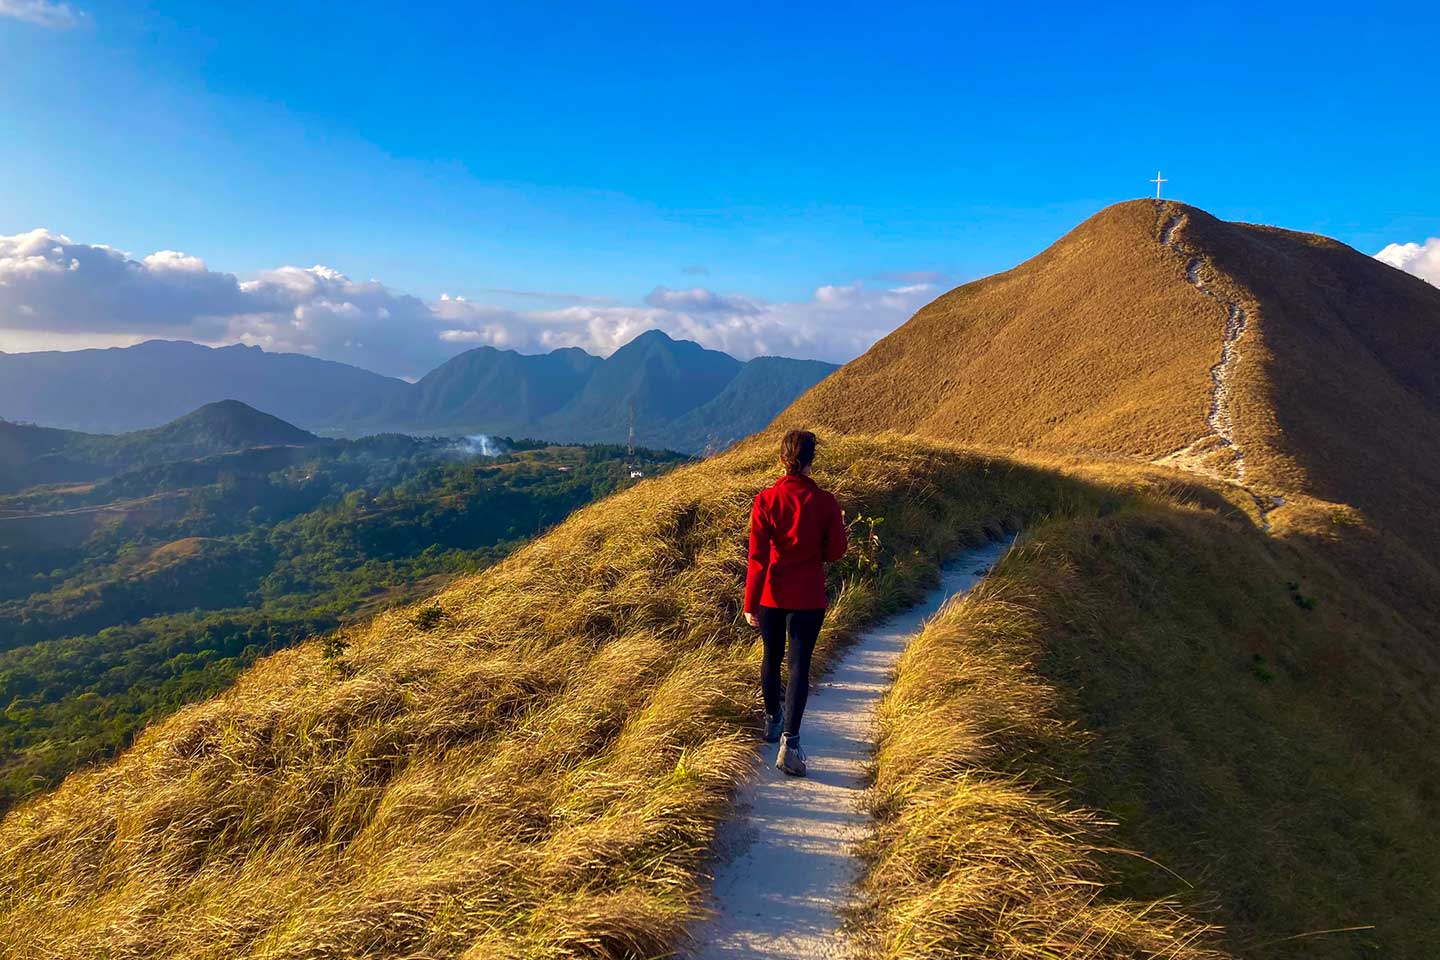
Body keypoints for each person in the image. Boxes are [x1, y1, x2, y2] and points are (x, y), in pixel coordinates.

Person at [744, 429, 848, 776]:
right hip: (808, 595)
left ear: (781, 459)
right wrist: (814, 550)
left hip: (771, 594)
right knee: (799, 667)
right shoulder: (826, 502)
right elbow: (835, 551)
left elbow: (757, 558)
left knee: (771, 658)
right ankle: (791, 743)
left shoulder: (765, 500)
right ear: (811, 461)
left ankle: (772, 719)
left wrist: (750, 601)